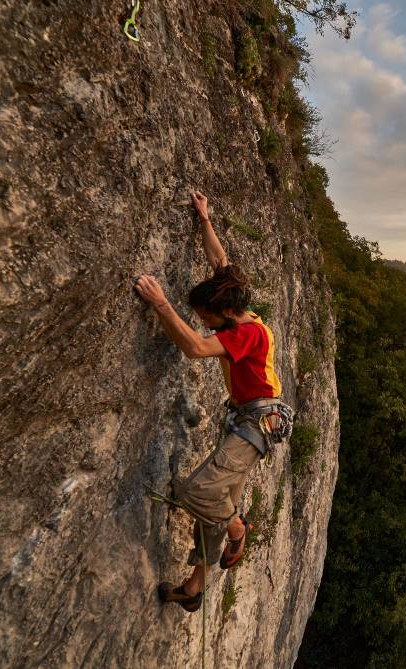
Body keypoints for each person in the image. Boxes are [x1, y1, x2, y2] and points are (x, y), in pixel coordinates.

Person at [133, 190, 287, 612]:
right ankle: (195, 587)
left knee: (199, 492)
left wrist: (162, 304)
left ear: (222, 315)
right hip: (252, 421)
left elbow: (197, 350)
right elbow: (220, 263)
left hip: (254, 426)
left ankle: (237, 531)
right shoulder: (238, 305)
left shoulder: (246, 334)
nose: (202, 320)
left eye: (205, 317)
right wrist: (204, 218)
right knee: (215, 503)